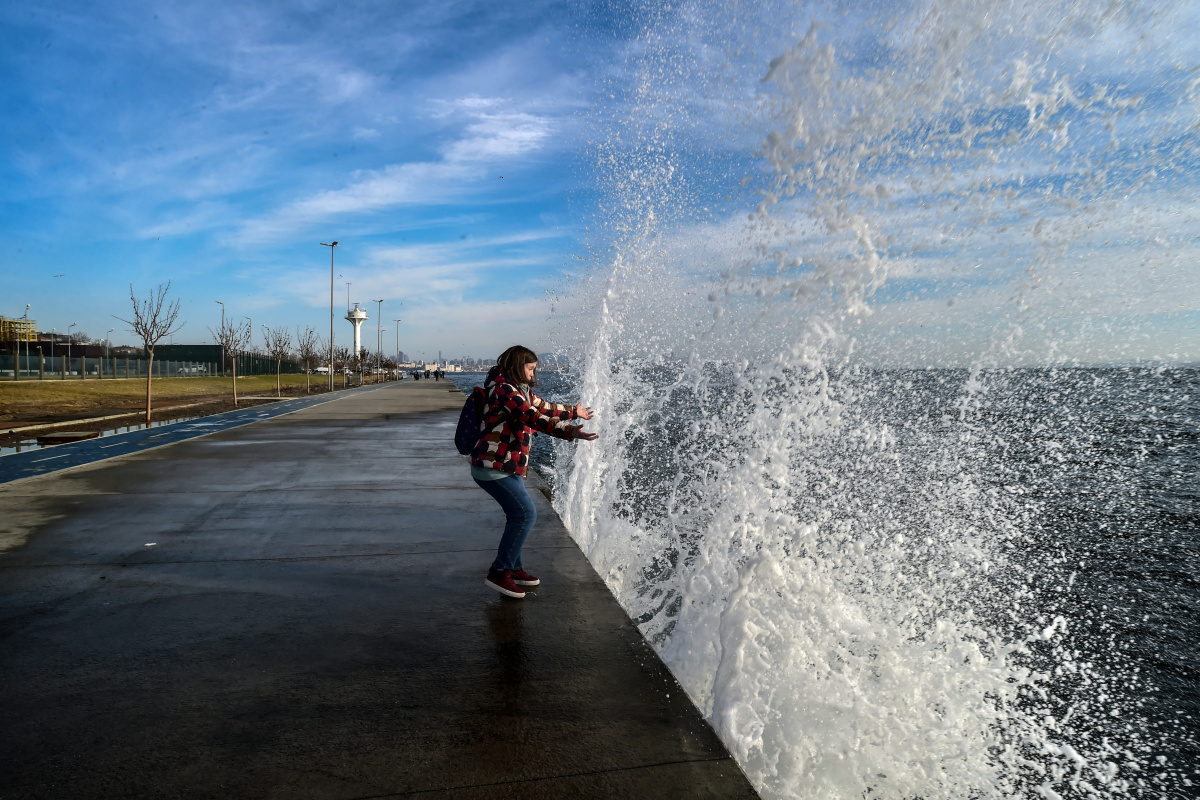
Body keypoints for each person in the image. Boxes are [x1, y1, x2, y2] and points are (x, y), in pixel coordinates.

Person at [472, 345, 597, 599]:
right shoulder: (504, 390)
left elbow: (544, 407)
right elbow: (533, 417)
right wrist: (570, 430)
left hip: (509, 463)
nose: (532, 374)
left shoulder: (521, 389)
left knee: (518, 515)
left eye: (534, 369)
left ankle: (513, 567)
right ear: (518, 365)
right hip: (492, 464)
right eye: (529, 369)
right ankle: (500, 571)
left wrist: (575, 412)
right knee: (525, 514)